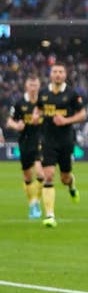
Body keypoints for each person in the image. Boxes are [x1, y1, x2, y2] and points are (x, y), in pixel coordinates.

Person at [36, 63, 86, 227]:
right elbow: (38, 110)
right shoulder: (43, 93)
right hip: (48, 140)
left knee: (65, 178)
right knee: (48, 175)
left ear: (65, 75)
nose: (58, 74)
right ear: (51, 75)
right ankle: (50, 215)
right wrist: (36, 116)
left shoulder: (71, 94)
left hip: (65, 141)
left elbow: (82, 114)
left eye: (61, 72)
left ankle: (72, 186)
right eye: (55, 72)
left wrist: (66, 120)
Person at [6, 74, 44, 219]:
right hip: (25, 141)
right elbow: (9, 121)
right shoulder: (19, 103)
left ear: (39, 86)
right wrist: (17, 125)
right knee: (28, 176)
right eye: (31, 85)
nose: (33, 88)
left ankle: (36, 202)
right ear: (26, 86)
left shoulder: (44, 103)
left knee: (41, 174)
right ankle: (32, 204)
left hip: (40, 140)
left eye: (35, 85)